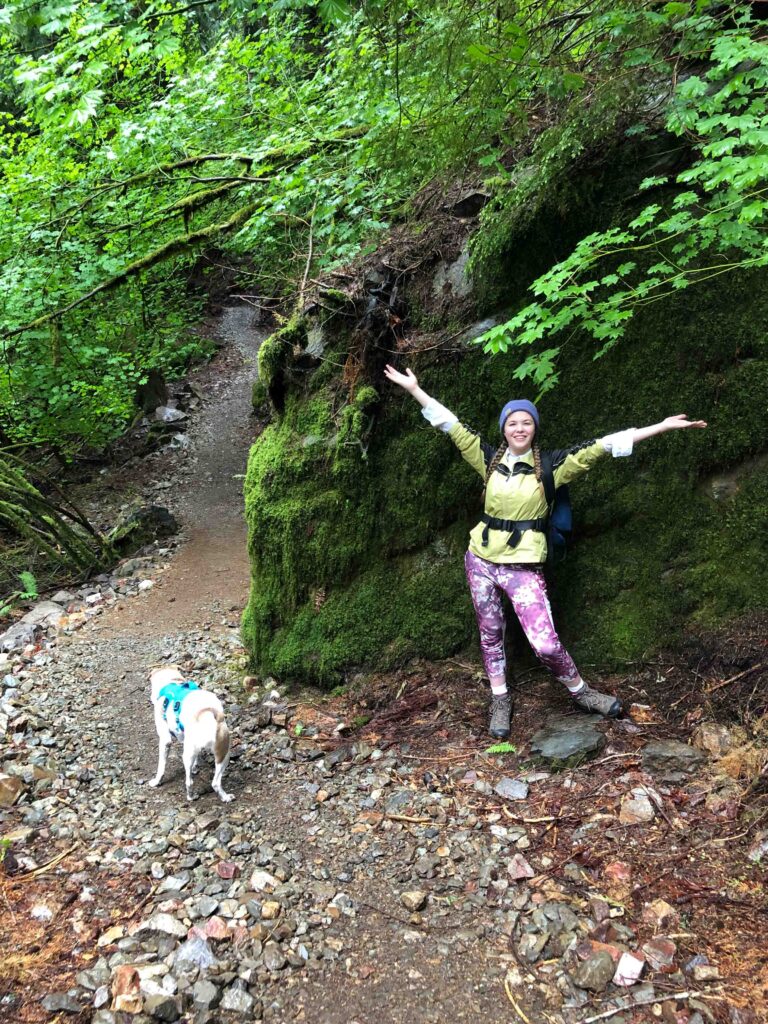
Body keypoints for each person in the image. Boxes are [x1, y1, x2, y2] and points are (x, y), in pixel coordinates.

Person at [383, 364, 707, 739]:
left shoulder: (553, 466)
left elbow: (603, 446)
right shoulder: (486, 458)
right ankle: (500, 699)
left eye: (526, 423)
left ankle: (582, 693)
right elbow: (448, 424)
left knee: (546, 643)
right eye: (512, 423)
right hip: (481, 561)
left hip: (522, 568)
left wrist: (661, 427)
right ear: (503, 428)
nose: (519, 429)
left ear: (535, 428)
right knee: (490, 633)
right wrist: (414, 389)